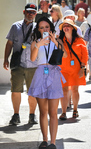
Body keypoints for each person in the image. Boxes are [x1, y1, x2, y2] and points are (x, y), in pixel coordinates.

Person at [28, 16, 67, 149]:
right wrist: (38, 45)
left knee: (53, 112)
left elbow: (65, 55)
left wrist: (55, 41)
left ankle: (53, 142)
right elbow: (33, 58)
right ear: (38, 30)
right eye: (42, 27)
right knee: (43, 111)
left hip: (54, 74)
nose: (45, 29)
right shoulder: (35, 42)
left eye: (47, 27)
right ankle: (45, 139)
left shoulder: (57, 41)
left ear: (50, 28)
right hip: (40, 74)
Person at [3, 3, 38, 125]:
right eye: (28, 12)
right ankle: (16, 115)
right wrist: (5, 59)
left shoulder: (39, 27)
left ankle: (32, 115)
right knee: (15, 90)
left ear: (36, 14)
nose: (30, 14)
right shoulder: (15, 26)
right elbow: (9, 44)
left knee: (32, 92)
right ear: (24, 12)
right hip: (18, 64)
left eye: (33, 12)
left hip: (33, 65)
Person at [58, 19, 88, 120]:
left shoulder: (80, 40)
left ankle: (75, 110)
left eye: (68, 25)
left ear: (72, 28)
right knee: (64, 90)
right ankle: (63, 112)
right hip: (63, 69)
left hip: (76, 69)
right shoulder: (60, 40)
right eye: (64, 26)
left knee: (75, 90)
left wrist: (82, 67)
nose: (66, 27)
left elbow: (85, 55)